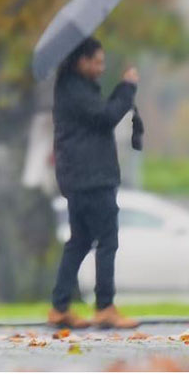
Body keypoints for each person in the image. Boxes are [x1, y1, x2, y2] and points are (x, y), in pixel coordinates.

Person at [48, 37, 141, 330]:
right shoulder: (75, 89)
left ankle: (60, 307)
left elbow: (100, 115)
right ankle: (105, 307)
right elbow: (105, 117)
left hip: (79, 177)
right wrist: (126, 88)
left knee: (79, 242)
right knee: (107, 240)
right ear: (82, 61)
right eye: (97, 61)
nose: (102, 67)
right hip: (91, 178)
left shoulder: (73, 88)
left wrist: (120, 91)